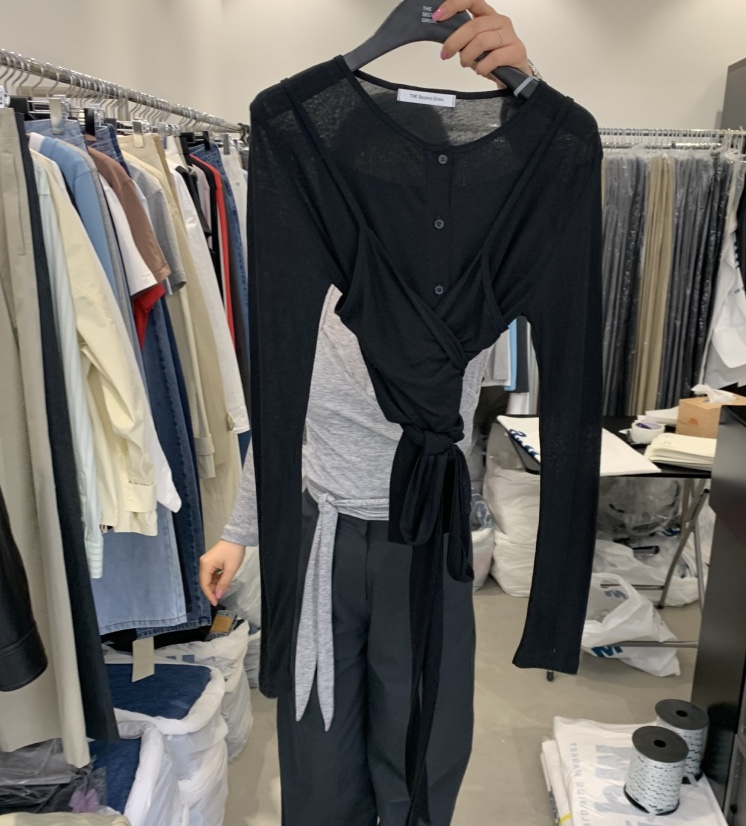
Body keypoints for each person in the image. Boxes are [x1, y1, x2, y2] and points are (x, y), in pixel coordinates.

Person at [199, 2, 539, 823]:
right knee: (318, 761)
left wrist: (527, 90)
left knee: (417, 758)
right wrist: (240, 531)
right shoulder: (313, 254)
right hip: (320, 534)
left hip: (424, 536)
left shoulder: (479, 257)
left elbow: (546, 208)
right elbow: (285, 410)